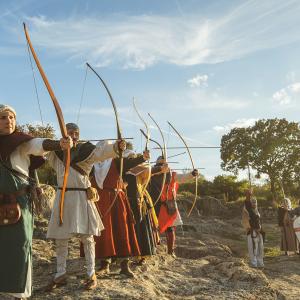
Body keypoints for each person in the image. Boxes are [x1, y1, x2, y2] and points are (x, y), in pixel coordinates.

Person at [0, 104, 73, 300]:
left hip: (18, 203)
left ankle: (18, 293)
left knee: (20, 245)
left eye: (11, 117)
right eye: (3, 118)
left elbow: (38, 144)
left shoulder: (20, 141)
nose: (9, 121)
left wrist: (59, 143)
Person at [46, 123, 126, 290]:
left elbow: (102, 152)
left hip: (82, 196)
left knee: (87, 238)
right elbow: (43, 152)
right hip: (63, 197)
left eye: (76, 133)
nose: (74, 135)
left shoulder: (86, 150)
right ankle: (60, 274)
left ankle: (91, 274)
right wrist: (58, 144)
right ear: (64, 133)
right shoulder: (56, 151)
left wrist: (116, 147)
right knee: (61, 238)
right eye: (70, 132)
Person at [84, 149, 149, 277]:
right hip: (100, 201)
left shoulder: (116, 161)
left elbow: (130, 163)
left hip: (117, 200)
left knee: (122, 230)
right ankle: (105, 264)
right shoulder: (93, 164)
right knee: (104, 232)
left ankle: (124, 265)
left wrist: (143, 158)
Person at [149, 156, 198, 257]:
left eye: (163, 164)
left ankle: (170, 251)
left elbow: (182, 178)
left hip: (168, 205)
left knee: (170, 228)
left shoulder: (171, 174)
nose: (162, 166)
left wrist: (192, 174)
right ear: (156, 165)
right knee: (152, 227)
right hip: (155, 204)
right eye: (159, 164)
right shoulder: (151, 172)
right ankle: (152, 249)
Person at [125, 153, 159, 264]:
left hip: (138, 201)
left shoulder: (139, 169)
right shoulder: (121, 169)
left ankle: (141, 255)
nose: (130, 160)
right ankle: (125, 254)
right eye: (128, 158)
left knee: (140, 228)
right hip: (124, 201)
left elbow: (149, 169)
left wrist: (160, 167)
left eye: (132, 158)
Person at [242, 190, 264, 268]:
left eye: (255, 202)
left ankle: (260, 263)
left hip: (259, 232)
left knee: (260, 248)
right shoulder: (248, 210)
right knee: (253, 249)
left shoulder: (257, 211)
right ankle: (254, 264)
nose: (254, 203)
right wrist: (248, 195)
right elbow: (247, 204)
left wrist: (260, 229)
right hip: (252, 232)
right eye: (252, 202)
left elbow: (259, 221)